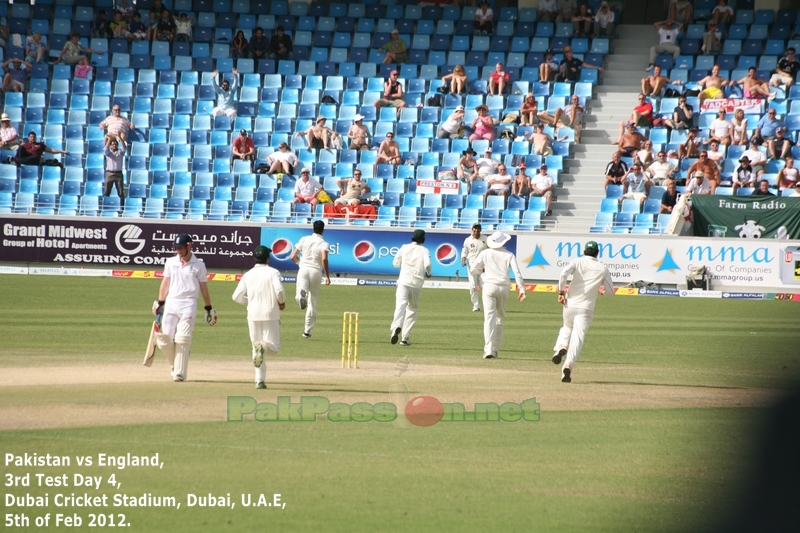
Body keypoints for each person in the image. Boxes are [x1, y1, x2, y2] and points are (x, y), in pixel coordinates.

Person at [152, 234, 216, 383]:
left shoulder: (199, 264)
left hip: (189, 303)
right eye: (176, 248)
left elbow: (204, 288)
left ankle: (179, 373)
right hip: (171, 303)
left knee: (182, 338)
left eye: (180, 248)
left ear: (189, 246)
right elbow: (165, 283)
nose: (178, 251)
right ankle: (177, 364)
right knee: (164, 340)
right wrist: (160, 302)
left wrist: (208, 308)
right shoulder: (170, 262)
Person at [551, 241, 613, 383]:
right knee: (578, 336)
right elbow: (610, 292)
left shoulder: (577, 262)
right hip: (586, 308)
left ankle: (561, 347)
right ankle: (568, 364)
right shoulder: (603, 268)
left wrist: (561, 292)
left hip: (570, 304)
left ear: (584, 252)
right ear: (597, 253)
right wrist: (601, 291)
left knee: (567, 327)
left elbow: (563, 274)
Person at [232, 246, 285, 390]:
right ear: (268, 259)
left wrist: (251, 302)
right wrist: (281, 302)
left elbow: (236, 297)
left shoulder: (248, 274)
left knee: (256, 349)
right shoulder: (273, 272)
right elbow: (279, 290)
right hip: (271, 314)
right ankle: (262, 348)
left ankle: (259, 380)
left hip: (253, 314)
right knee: (273, 348)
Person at [470, 232, 526, 359]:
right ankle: (494, 349)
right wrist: (522, 289)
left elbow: (473, 269)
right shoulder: (509, 255)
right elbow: (517, 273)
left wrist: (482, 270)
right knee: (499, 319)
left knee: (489, 318)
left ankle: (488, 349)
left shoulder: (485, 253)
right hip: (504, 287)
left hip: (489, 286)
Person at [290, 220, 331, 338]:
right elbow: (324, 259)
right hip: (316, 271)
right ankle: (307, 331)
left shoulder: (304, 239)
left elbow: (292, 256)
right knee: (312, 302)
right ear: (323, 230)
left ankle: (301, 296)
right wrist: (327, 277)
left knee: (300, 293)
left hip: (303, 268)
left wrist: (300, 264)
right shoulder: (324, 243)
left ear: (313, 228)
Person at [390, 230, 432, 347]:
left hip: (403, 281)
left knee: (400, 305)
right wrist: (428, 273)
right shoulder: (424, 250)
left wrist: (404, 266)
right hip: (416, 284)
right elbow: (427, 264)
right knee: (412, 308)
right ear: (423, 239)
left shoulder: (404, 247)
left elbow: (395, 263)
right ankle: (405, 337)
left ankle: (396, 327)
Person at [461, 223, 488, 312]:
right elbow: (464, 251)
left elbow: (490, 251)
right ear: (472, 229)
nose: (476, 230)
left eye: (478, 228)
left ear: (480, 230)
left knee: (485, 286)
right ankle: (476, 305)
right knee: (473, 286)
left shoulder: (485, 239)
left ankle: (487, 305)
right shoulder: (468, 240)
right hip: (472, 266)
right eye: (474, 228)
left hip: (483, 266)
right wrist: (463, 260)